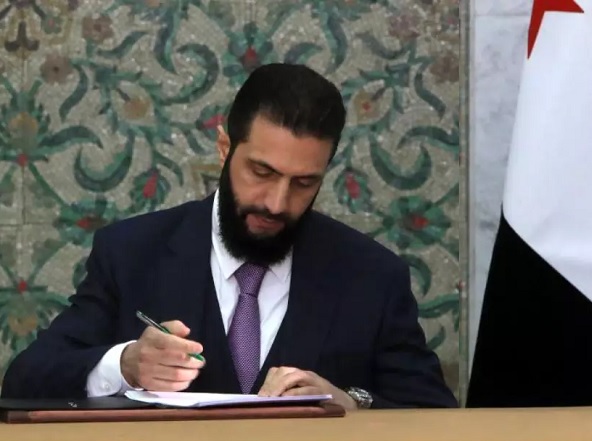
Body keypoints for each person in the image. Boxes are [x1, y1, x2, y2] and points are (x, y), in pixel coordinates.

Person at [1, 63, 458, 411]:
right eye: (262, 172)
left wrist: (352, 402)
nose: (276, 203)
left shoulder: (373, 275)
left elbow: (434, 416)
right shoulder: (131, 253)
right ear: (225, 148)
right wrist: (125, 364)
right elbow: (24, 381)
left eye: (303, 183)